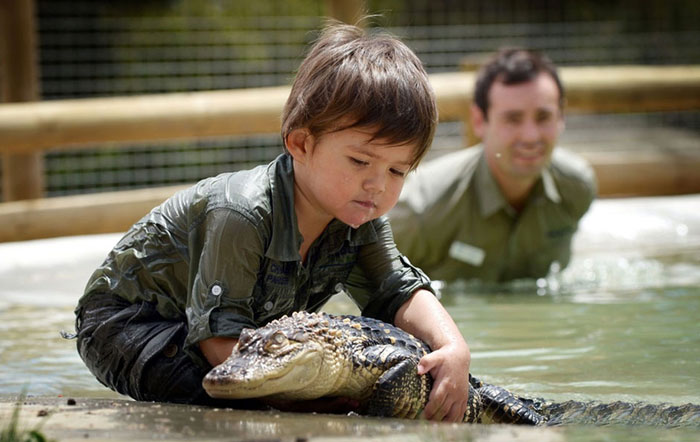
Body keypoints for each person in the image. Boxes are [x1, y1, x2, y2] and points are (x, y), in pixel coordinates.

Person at [71, 22, 471, 423]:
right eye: (360, 161)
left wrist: (453, 348)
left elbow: (397, 292)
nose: (377, 185)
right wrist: (298, 400)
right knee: (239, 401)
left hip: (224, 334)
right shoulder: (242, 212)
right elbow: (218, 336)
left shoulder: (360, 217)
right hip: (131, 324)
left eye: (398, 171)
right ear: (301, 144)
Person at [389, 48, 597, 283]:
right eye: (512, 119)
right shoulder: (422, 209)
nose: (530, 136)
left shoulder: (576, 189)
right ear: (479, 121)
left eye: (543, 117)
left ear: (561, 118)